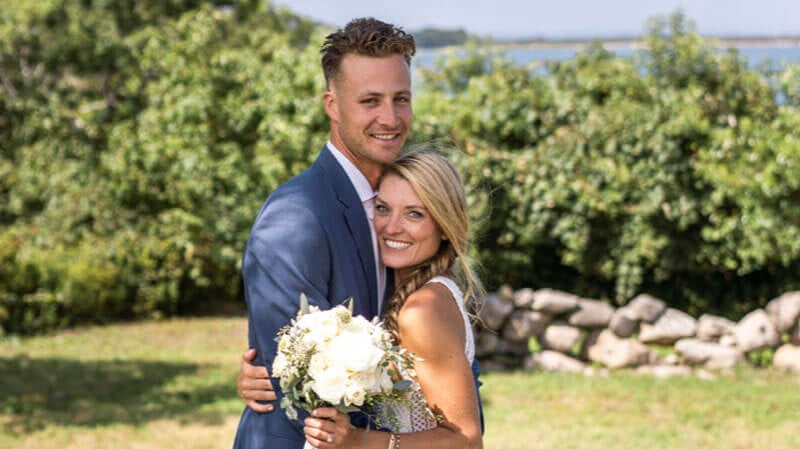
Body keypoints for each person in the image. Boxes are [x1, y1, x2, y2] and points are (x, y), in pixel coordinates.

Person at [232, 17, 482, 449]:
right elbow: (290, 377)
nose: (390, 118)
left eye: (401, 99)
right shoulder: (296, 218)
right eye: (370, 101)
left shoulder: (402, 196)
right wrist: (263, 374)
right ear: (332, 105)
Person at [302, 149, 484, 449]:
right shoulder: (415, 294)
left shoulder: (422, 310)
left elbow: (466, 441)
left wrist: (358, 441)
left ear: (444, 226)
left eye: (414, 214)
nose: (391, 227)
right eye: (383, 208)